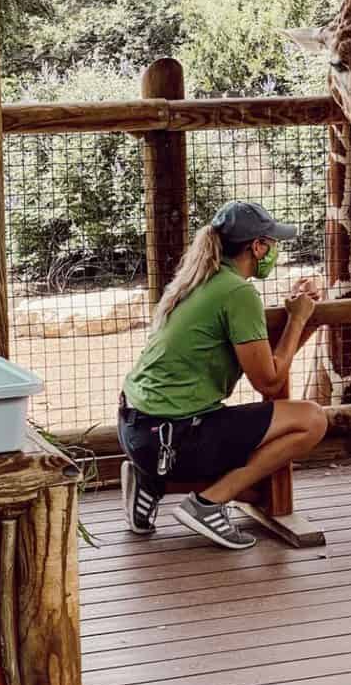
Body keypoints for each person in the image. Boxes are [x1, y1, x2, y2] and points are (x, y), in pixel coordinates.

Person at [118, 200, 327, 549]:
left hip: (138, 431)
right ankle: (208, 504)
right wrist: (299, 319)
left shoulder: (199, 280)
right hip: (174, 437)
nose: (274, 250)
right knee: (313, 419)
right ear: (257, 247)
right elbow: (270, 381)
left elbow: (269, 360)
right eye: (271, 243)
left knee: (258, 429)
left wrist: (299, 319)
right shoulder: (239, 292)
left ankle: (148, 481)